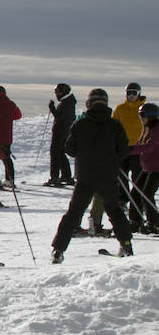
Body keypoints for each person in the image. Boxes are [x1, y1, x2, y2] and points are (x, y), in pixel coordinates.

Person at [50, 89, 134, 262]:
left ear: (89, 103)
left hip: (85, 176)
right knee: (114, 210)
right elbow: (124, 150)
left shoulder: (80, 124)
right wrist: (111, 158)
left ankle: (58, 250)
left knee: (74, 212)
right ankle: (126, 244)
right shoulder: (114, 125)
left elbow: (70, 149)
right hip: (108, 175)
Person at [114, 81, 147, 228]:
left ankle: (139, 200)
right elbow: (114, 125)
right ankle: (123, 199)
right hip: (123, 148)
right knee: (122, 174)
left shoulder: (144, 109)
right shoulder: (120, 109)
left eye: (134, 93)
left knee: (138, 175)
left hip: (138, 148)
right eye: (129, 93)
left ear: (139, 94)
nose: (131, 95)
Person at [129, 102, 159, 234]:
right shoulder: (147, 129)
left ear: (150, 116)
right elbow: (140, 144)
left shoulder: (157, 129)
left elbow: (149, 147)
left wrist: (130, 149)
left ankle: (155, 223)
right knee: (136, 193)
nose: (140, 118)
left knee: (146, 194)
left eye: (142, 115)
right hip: (147, 167)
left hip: (157, 168)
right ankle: (135, 221)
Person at [0, 86, 22, 190]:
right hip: (7, 136)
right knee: (6, 158)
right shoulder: (11, 104)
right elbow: (18, 115)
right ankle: (9, 180)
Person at [46, 84, 77, 186]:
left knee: (55, 152)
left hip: (60, 131)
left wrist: (52, 108)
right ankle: (66, 176)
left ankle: (54, 177)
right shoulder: (69, 102)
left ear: (63, 92)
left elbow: (60, 117)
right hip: (65, 131)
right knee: (61, 153)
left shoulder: (66, 103)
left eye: (57, 92)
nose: (56, 94)